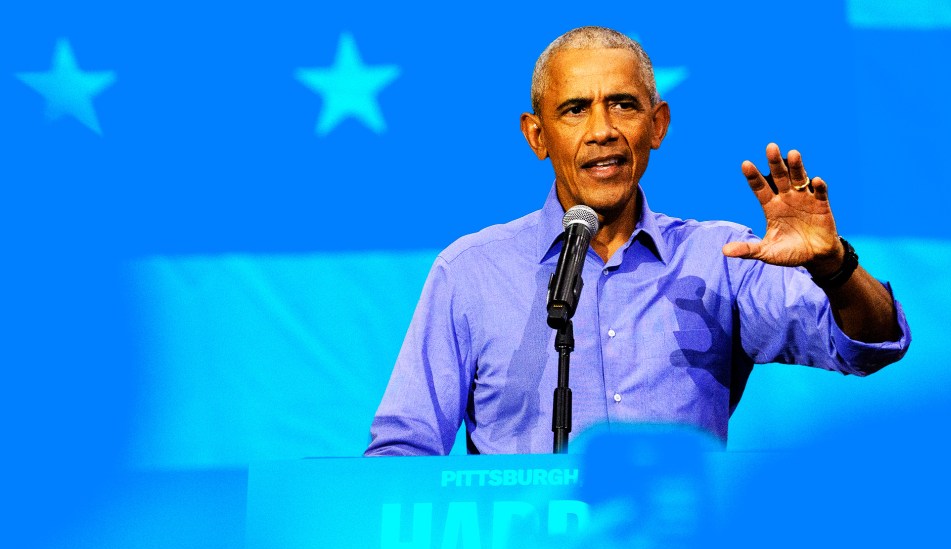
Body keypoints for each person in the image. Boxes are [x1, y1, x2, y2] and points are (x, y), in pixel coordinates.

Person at [364, 26, 910, 456]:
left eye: (623, 104)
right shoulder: (471, 273)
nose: (603, 129)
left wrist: (834, 267)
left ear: (658, 124)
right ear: (537, 135)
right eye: (575, 109)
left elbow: (868, 345)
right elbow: (402, 452)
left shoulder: (721, 258)